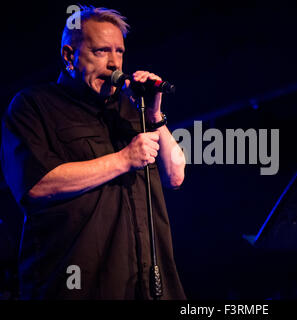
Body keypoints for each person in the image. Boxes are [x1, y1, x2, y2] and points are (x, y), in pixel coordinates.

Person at [0, 5, 186, 299]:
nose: (115, 63)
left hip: (150, 289)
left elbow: (175, 176)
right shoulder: (34, 106)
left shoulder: (131, 109)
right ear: (69, 56)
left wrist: (154, 115)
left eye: (119, 52)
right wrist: (123, 159)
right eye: (101, 51)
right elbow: (35, 185)